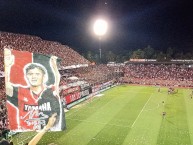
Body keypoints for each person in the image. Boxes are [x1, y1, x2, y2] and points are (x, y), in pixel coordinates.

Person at [4, 48, 64, 131]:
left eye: (37, 74)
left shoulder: (51, 90)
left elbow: (57, 79)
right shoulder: (21, 91)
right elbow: (7, 87)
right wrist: (7, 66)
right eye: (30, 74)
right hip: (28, 128)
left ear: (44, 76)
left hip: (49, 127)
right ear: (26, 76)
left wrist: (54, 67)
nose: (34, 77)